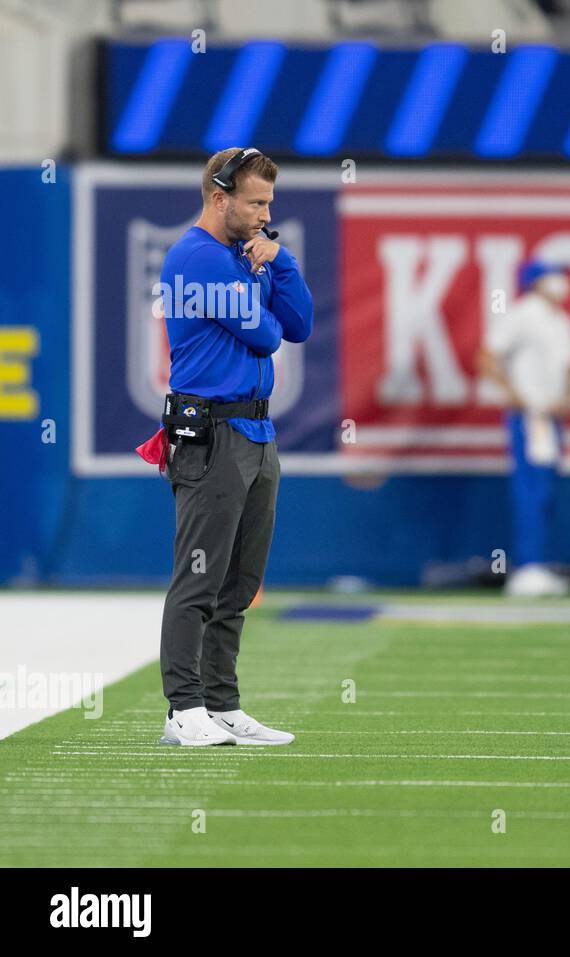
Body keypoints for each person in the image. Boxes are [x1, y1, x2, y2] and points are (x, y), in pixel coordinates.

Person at [154, 147, 313, 745]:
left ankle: (221, 702)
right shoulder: (197, 257)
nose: (265, 213)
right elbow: (268, 335)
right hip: (213, 432)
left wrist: (283, 262)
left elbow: (300, 324)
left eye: (268, 202)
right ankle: (182, 708)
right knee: (198, 576)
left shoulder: (253, 253)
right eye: (256, 202)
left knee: (239, 584)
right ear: (219, 197)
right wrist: (262, 277)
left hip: (256, 430)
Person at [477, 260, 570, 598]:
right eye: (554, 275)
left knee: (546, 493)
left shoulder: (562, 320)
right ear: (537, 281)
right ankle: (528, 566)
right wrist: (513, 392)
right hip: (531, 416)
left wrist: (566, 397)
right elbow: (488, 356)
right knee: (531, 491)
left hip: (552, 418)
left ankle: (540, 563)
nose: (562, 281)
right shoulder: (522, 315)